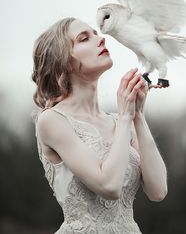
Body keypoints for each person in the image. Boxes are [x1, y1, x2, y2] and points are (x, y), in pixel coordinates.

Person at [32, 17, 168, 234]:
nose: (101, 39)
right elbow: (109, 186)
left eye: (96, 33)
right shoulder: (52, 121)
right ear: (64, 60)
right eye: (84, 38)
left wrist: (138, 116)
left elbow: (158, 190)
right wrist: (125, 117)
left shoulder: (119, 121)